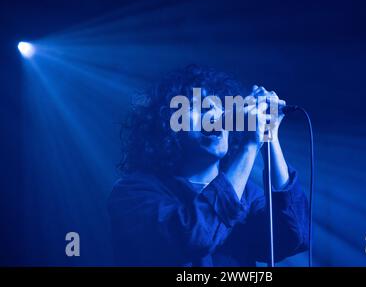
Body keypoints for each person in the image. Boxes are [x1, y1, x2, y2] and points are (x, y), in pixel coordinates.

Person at [108, 65, 309, 266]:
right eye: (201, 107)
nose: (214, 112)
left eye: (220, 106)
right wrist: (249, 146)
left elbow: (294, 236)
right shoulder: (133, 192)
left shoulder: (247, 195)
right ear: (167, 124)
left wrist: (268, 134)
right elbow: (193, 237)